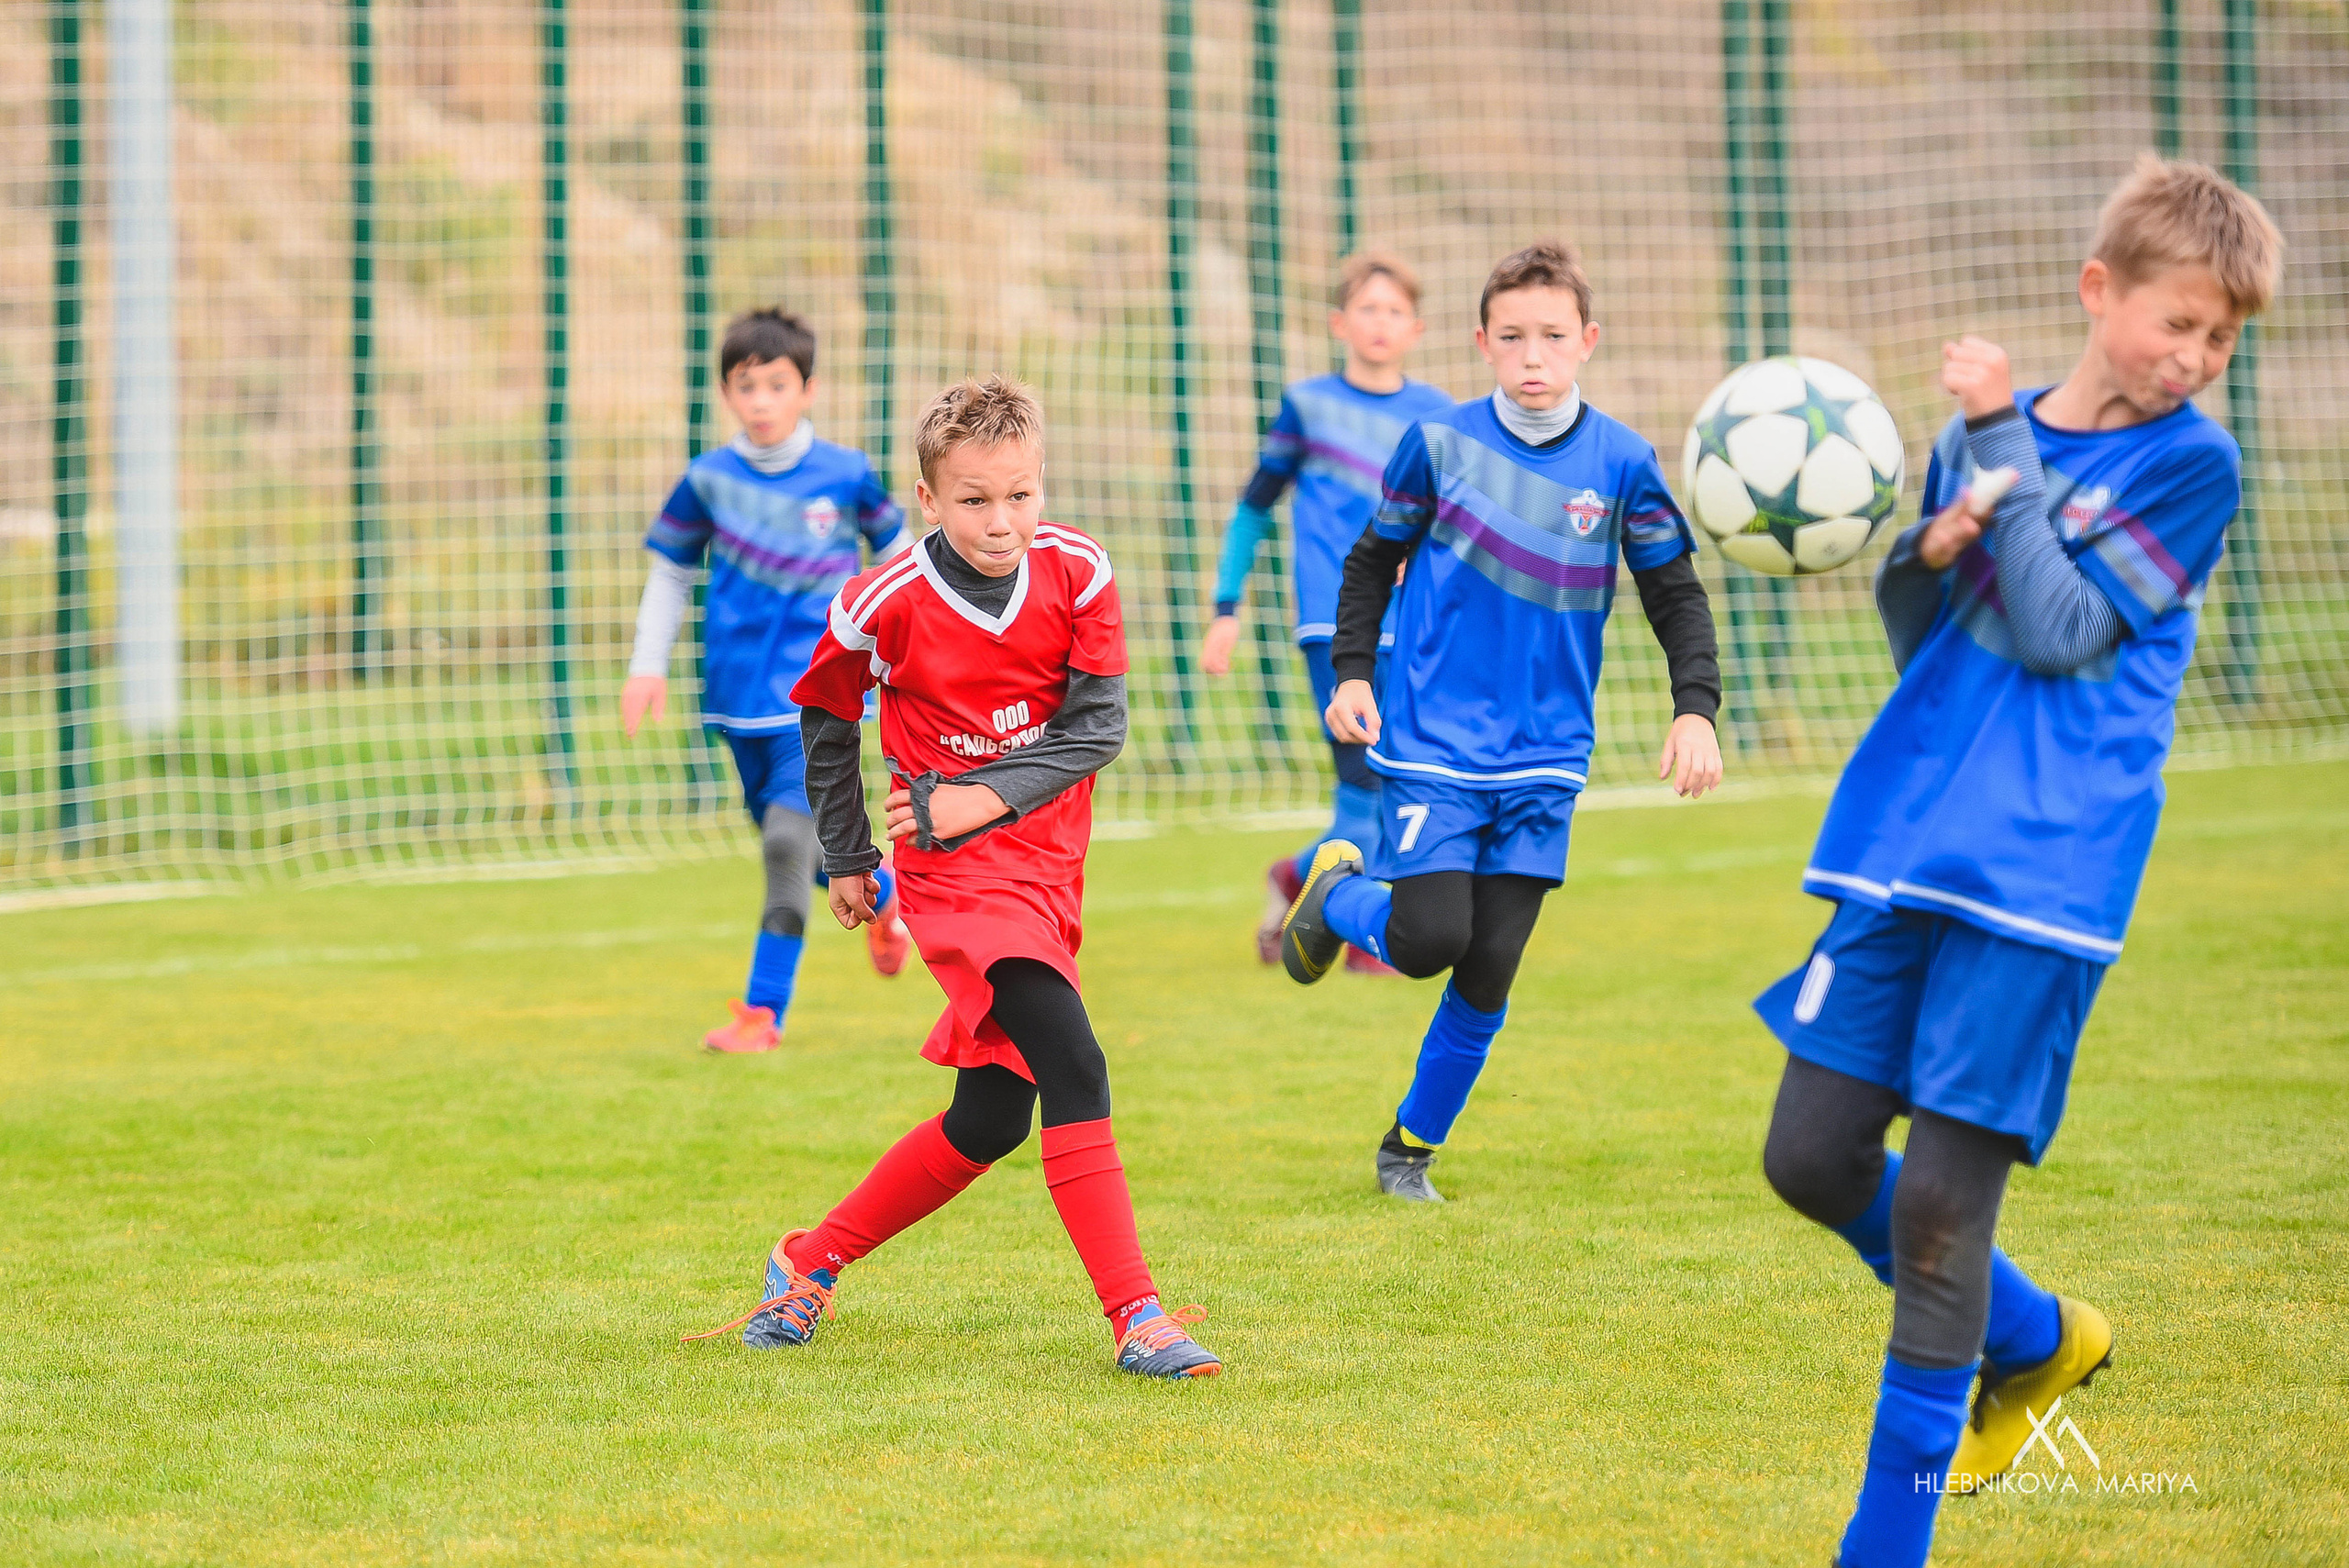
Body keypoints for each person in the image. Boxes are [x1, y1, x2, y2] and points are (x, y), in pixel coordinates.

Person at [1750, 156, 2282, 1568]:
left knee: (1937, 1208)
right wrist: (1924, 549)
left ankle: (1885, 1545)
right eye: (2179, 322)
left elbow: (2057, 630)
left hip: (2049, 869)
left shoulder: (2192, 464)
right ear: (2100, 291)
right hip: (1913, 836)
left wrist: (2000, 444)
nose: (2196, 358)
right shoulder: (1983, 442)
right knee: (1808, 1155)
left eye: (2220, 339)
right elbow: (1935, 639)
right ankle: (2041, 1336)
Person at [685, 374, 1220, 1379]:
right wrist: (849, 852)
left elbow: (1098, 726)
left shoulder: (1082, 572)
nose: (1002, 519)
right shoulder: (879, 601)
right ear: (927, 499)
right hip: (951, 878)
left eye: (1019, 494)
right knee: (1075, 1061)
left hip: (1045, 864)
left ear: (1041, 483)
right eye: (973, 498)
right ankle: (1139, 1316)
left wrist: (986, 793)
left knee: (989, 1116)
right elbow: (827, 720)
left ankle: (808, 1258)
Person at [1278, 239, 1724, 1201]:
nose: (1532, 355)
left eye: (1552, 336)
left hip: (1546, 757)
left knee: (1489, 965)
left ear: (1587, 342)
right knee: (1431, 936)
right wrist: (1352, 671)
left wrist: (1697, 711)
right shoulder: (1438, 444)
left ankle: (1407, 1150)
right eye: (1512, 335)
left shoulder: (1622, 461)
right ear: (1481, 342)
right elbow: (1367, 562)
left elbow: (1675, 596)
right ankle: (1338, 894)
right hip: (1433, 744)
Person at [620, 307, 913, 1055]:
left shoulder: (846, 474)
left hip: (820, 697)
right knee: (807, 854)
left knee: (787, 844)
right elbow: (672, 573)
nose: (761, 400)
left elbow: (906, 559)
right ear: (727, 393)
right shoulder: (708, 479)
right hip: (735, 702)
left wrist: (909, 656)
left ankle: (762, 1013)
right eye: (746, 386)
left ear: (807, 388)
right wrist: (647, 665)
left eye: (776, 385)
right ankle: (890, 903)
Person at [1200, 252, 1454, 974]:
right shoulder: (1307, 406)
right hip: (1332, 626)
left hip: (1419, 626)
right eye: (1366, 309)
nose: (1380, 323)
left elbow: (1452, 519)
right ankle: (1366, 930)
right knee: (1363, 779)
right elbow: (1252, 508)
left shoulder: (1436, 414)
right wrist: (1227, 609)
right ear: (1341, 323)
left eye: (1394, 311)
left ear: (1417, 327)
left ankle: (1296, 876)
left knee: (1402, 774)